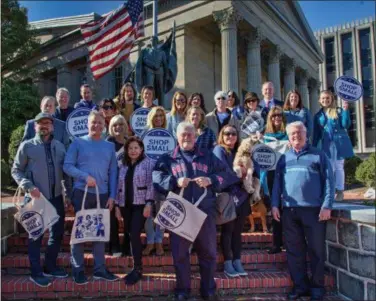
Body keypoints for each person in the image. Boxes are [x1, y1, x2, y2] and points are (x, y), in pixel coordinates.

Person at [153, 122, 239, 300]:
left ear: (195, 137)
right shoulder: (168, 158)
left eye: (190, 135)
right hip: (179, 212)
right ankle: (182, 290)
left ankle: (208, 290)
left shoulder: (207, 156)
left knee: (208, 253)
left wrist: (211, 179)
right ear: (177, 136)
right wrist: (174, 182)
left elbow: (228, 175)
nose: (187, 138)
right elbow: (157, 178)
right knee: (180, 254)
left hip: (204, 213)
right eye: (183, 134)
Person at [272, 121, 334, 301]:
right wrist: (275, 204)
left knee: (316, 251)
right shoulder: (284, 158)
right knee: (294, 251)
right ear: (288, 138)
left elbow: (329, 181)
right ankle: (300, 287)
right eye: (292, 134)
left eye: (299, 133)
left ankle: (317, 288)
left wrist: (327, 205)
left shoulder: (319, 155)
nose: (296, 136)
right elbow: (277, 184)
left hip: (314, 211)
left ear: (306, 135)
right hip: (289, 211)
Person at [12, 113, 69, 287]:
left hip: (56, 197)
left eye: (47, 123)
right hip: (36, 197)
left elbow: (66, 171)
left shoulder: (59, 146)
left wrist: (68, 192)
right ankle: (36, 272)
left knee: (57, 233)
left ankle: (49, 266)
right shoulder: (27, 146)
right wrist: (28, 186)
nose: (44, 126)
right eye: (40, 123)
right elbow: (16, 170)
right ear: (35, 126)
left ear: (52, 126)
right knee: (35, 236)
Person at [63, 111, 118, 284]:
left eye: (100, 123)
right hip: (82, 193)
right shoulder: (78, 142)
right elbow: (67, 166)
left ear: (104, 126)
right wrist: (84, 176)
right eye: (94, 122)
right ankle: (77, 269)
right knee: (80, 232)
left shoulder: (109, 146)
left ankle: (99, 270)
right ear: (88, 124)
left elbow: (114, 173)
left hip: (102, 196)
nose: (97, 126)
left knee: (99, 234)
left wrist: (112, 195)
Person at [213, 125, 259, 277]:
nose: (230, 136)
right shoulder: (219, 150)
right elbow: (225, 172)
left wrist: (249, 174)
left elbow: (255, 167)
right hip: (228, 196)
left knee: (238, 232)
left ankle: (237, 260)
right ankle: (228, 262)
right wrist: (241, 175)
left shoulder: (242, 150)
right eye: (227, 133)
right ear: (222, 135)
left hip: (243, 195)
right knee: (228, 230)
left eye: (233, 133)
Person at [115, 137, 155, 285]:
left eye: (136, 148)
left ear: (142, 149)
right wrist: (118, 207)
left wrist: (149, 203)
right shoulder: (122, 164)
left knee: (134, 233)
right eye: (130, 148)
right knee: (130, 233)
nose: (133, 151)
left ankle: (138, 268)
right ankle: (135, 266)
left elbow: (151, 185)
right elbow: (118, 186)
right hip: (125, 205)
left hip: (141, 205)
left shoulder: (149, 163)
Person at [312, 90, 354, 202]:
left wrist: (345, 110)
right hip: (325, 144)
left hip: (338, 143)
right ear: (320, 100)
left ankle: (340, 191)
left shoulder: (338, 111)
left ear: (331, 99)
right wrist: (313, 147)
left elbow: (345, 124)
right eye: (323, 98)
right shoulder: (318, 115)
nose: (325, 100)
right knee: (328, 167)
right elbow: (316, 134)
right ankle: (329, 191)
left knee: (339, 166)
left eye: (327, 98)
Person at [261, 106, 288, 254]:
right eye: (274, 116)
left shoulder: (288, 135)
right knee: (275, 207)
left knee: (287, 209)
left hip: (287, 174)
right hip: (271, 175)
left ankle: (288, 241)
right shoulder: (266, 137)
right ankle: (276, 243)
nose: (277, 118)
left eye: (279, 116)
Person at [142, 106, 168, 256]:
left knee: (161, 213)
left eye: (161, 115)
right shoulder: (144, 135)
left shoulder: (169, 135)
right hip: (147, 178)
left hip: (163, 179)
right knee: (148, 213)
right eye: (156, 116)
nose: (158, 118)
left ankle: (159, 242)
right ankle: (150, 241)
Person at [106, 115, 129, 257]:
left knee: (127, 215)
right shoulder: (107, 143)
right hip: (111, 184)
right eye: (114, 125)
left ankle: (127, 245)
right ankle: (114, 246)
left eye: (120, 124)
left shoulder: (130, 142)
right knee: (112, 216)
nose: (118, 127)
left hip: (127, 185)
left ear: (125, 126)